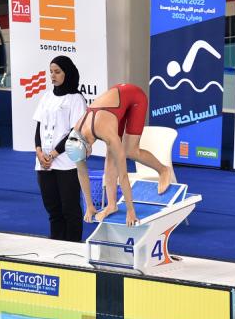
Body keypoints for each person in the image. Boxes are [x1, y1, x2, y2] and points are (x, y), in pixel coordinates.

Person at [64, 83, 171, 227]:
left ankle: (163, 170)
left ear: (87, 147)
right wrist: (89, 206)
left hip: (134, 97)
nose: (85, 160)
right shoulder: (75, 136)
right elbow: (82, 173)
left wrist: (130, 210)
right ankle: (112, 205)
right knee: (110, 156)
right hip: (115, 107)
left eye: (85, 157)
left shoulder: (105, 132)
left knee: (130, 151)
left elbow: (123, 175)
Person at [33, 56, 87, 242]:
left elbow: (75, 132)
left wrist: (53, 154)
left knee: (70, 209)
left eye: (57, 72)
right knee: (53, 209)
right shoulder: (46, 97)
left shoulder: (76, 99)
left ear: (67, 73)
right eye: (51, 72)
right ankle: (56, 245)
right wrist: (39, 152)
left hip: (66, 163)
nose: (53, 76)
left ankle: (73, 247)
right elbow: (39, 128)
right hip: (44, 163)